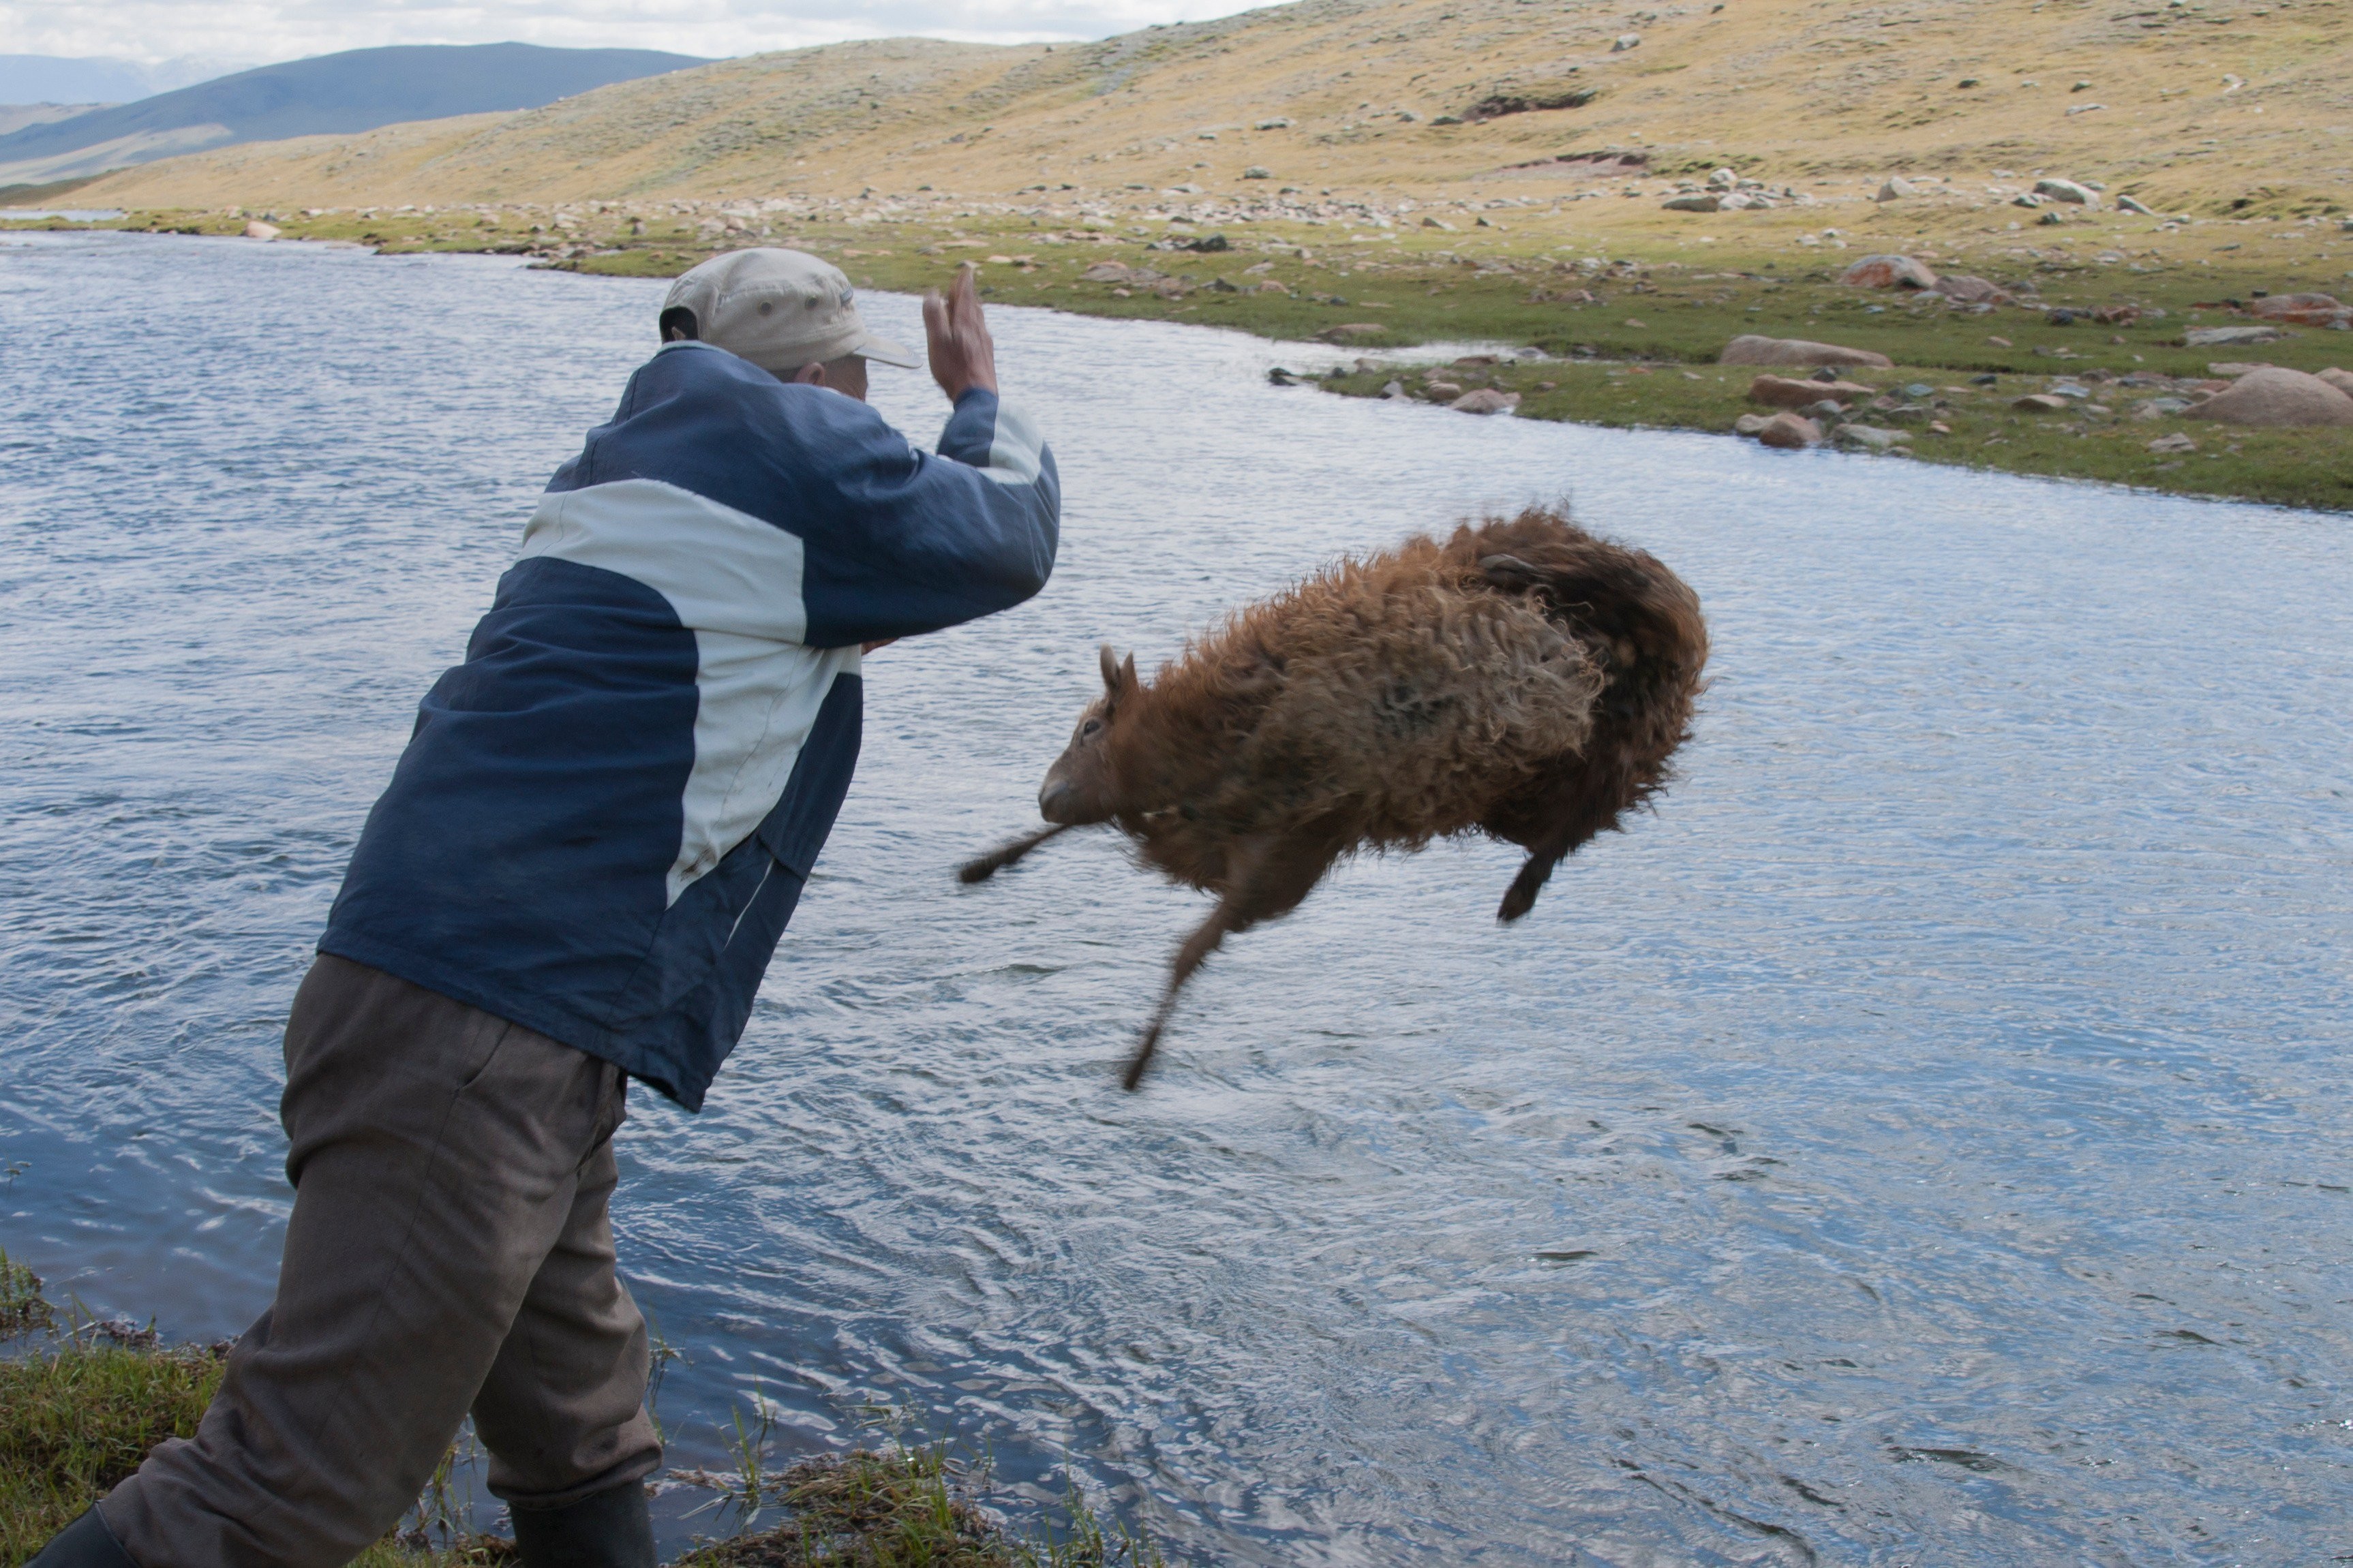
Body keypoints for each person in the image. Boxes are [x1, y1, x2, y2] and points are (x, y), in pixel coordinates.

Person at [32, 251, 1059, 1568]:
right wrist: (978, 398)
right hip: (486, 1034)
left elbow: (834, 618)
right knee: (283, 1486)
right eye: (865, 398)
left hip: (475, 1011)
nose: (874, 430)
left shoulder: (643, 466)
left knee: (576, 1419)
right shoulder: (786, 446)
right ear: (819, 385)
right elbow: (1010, 530)